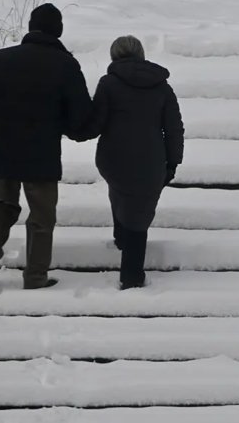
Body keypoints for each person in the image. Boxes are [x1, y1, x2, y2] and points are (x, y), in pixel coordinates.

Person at [0, 3, 92, 289]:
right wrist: (77, 131)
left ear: (30, 27)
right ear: (58, 30)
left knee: (3, 203)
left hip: (4, 148)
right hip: (42, 153)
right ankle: (35, 276)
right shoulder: (65, 64)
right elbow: (80, 114)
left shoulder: (2, 58)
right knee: (41, 215)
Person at [73, 35, 184, 290]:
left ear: (114, 57)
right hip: (151, 160)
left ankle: (121, 238)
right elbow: (174, 129)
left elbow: (96, 123)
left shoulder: (109, 84)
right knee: (139, 213)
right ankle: (132, 275)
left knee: (122, 193)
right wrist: (173, 162)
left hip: (113, 159)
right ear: (142, 54)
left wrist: (73, 128)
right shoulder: (162, 87)